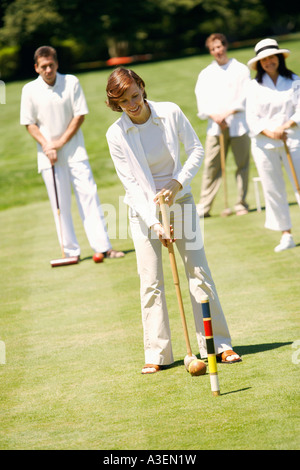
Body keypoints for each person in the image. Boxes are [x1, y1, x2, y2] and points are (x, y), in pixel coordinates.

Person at [105, 67, 242, 373]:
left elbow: (195, 149)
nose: (132, 104)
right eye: (124, 100)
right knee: (151, 282)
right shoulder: (116, 134)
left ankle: (218, 344)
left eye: (135, 95)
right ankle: (157, 353)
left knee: (198, 272)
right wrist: (155, 224)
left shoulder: (170, 112)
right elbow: (130, 184)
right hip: (143, 214)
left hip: (180, 201)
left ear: (142, 87)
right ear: (116, 103)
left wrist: (177, 183)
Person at [20, 46, 124, 263]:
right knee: (60, 204)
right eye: (43, 66)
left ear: (57, 64)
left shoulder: (71, 82)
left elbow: (79, 115)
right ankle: (70, 251)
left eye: (51, 65)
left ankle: (103, 247)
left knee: (89, 196)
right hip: (48, 156)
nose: (48, 70)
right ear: (36, 68)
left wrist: (59, 143)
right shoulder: (29, 90)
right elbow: (29, 123)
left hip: (75, 151)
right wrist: (48, 146)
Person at [246, 38, 300, 252]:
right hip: (264, 145)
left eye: (271, 57)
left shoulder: (294, 80)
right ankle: (286, 234)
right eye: (264, 59)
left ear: (279, 58)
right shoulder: (253, 86)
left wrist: (286, 126)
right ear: (259, 63)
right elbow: (252, 118)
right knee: (273, 189)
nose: (268, 61)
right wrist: (271, 132)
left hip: (293, 140)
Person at [195, 33, 251, 217]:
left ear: (225, 46)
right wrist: (215, 116)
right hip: (215, 126)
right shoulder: (206, 74)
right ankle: (204, 206)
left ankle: (241, 203)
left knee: (242, 164)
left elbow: (245, 96)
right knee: (212, 166)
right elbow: (201, 99)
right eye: (213, 49)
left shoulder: (241, 69)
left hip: (239, 125)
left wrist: (228, 113)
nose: (217, 51)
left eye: (219, 47)